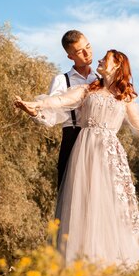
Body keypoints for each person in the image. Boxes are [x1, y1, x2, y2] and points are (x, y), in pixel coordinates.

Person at [14, 49, 139, 268]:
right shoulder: (87, 89)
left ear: (117, 65)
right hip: (85, 151)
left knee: (110, 203)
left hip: (109, 153)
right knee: (84, 201)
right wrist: (36, 105)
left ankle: (110, 261)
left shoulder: (125, 97)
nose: (98, 60)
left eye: (105, 59)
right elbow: (59, 100)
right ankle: (80, 261)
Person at [31, 30, 98, 189]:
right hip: (73, 137)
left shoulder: (100, 79)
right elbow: (52, 116)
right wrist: (34, 112)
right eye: (80, 52)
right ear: (70, 57)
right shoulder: (62, 80)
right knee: (70, 192)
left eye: (88, 46)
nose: (87, 53)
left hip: (98, 140)